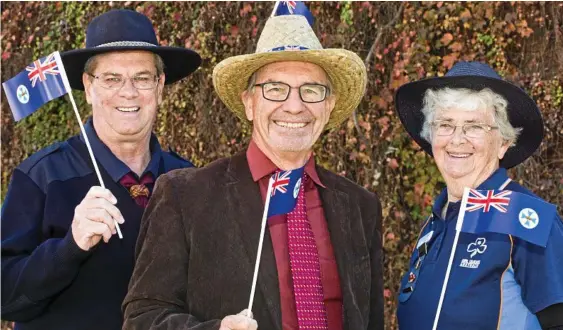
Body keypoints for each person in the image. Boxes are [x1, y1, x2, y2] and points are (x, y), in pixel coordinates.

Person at [123, 14, 383, 330]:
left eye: (311, 90)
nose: (294, 106)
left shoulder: (359, 206)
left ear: (328, 107)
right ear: (249, 102)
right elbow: (143, 318)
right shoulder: (186, 197)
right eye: (275, 88)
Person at [1, 9, 201, 330]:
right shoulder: (42, 177)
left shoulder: (188, 181)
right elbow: (6, 298)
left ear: (160, 86)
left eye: (142, 78)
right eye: (111, 79)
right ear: (88, 86)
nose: (128, 92)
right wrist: (70, 247)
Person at [394, 61, 563, 329]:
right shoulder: (434, 223)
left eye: (474, 126)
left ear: (503, 143)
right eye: (445, 124)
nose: (457, 139)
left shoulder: (530, 220)